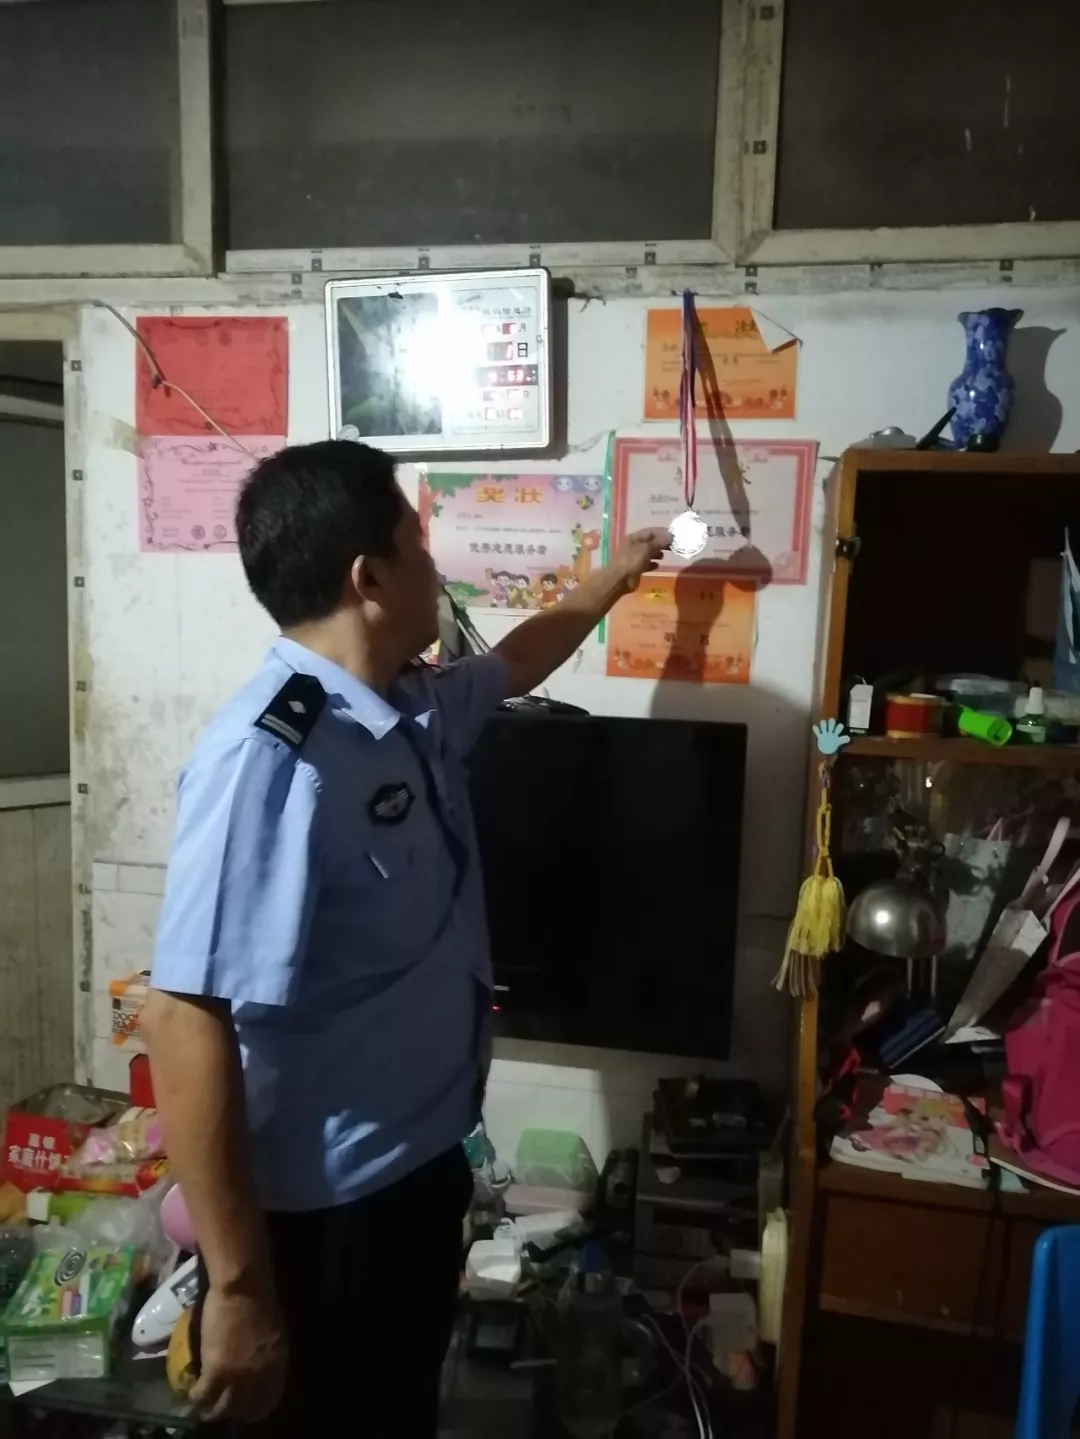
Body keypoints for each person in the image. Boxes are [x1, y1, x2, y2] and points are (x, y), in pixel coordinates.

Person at [142, 440, 666, 1438]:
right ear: (369, 577)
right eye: (417, 543)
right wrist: (241, 1288)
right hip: (327, 1215)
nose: (436, 564)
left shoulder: (407, 706)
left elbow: (519, 659)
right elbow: (181, 1014)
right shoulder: (273, 756)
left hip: (416, 1172)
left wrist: (618, 573)